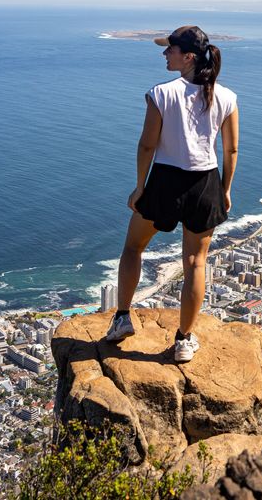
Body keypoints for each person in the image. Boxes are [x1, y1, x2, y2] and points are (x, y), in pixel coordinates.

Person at [105, 25, 239, 362]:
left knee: (133, 247)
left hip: (165, 181)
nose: (165, 54)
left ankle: (122, 318)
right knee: (195, 263)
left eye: (170, 49)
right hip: (205, 182)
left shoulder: (161, 93)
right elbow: (231, 151)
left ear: (188, 57)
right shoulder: (227, 97)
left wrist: (140, 187)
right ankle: (184, 340)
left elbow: (148, 144)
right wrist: (225, 190)